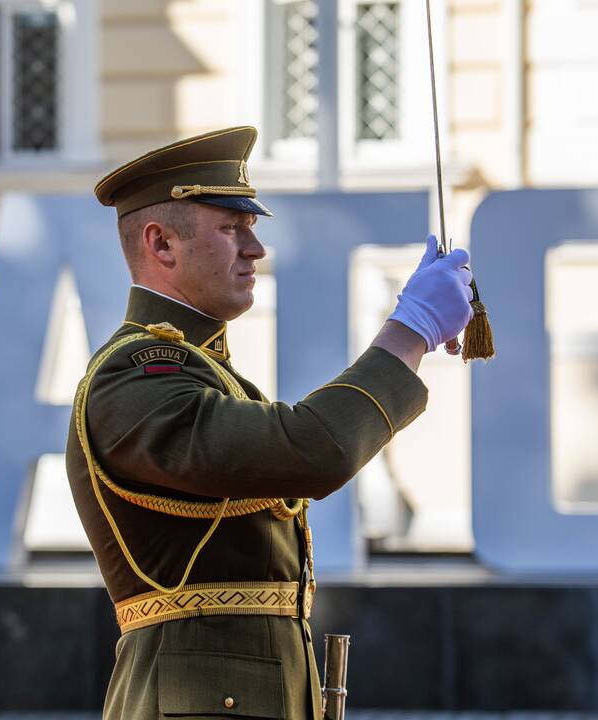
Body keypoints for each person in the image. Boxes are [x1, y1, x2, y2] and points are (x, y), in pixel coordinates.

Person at [66, 126, 473, 719]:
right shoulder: (136, 375)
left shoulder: (201, 371)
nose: (254, 249)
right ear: (161, 244)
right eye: (231, 228)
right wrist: (408, 333)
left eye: (251, 228)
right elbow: (309, 449)